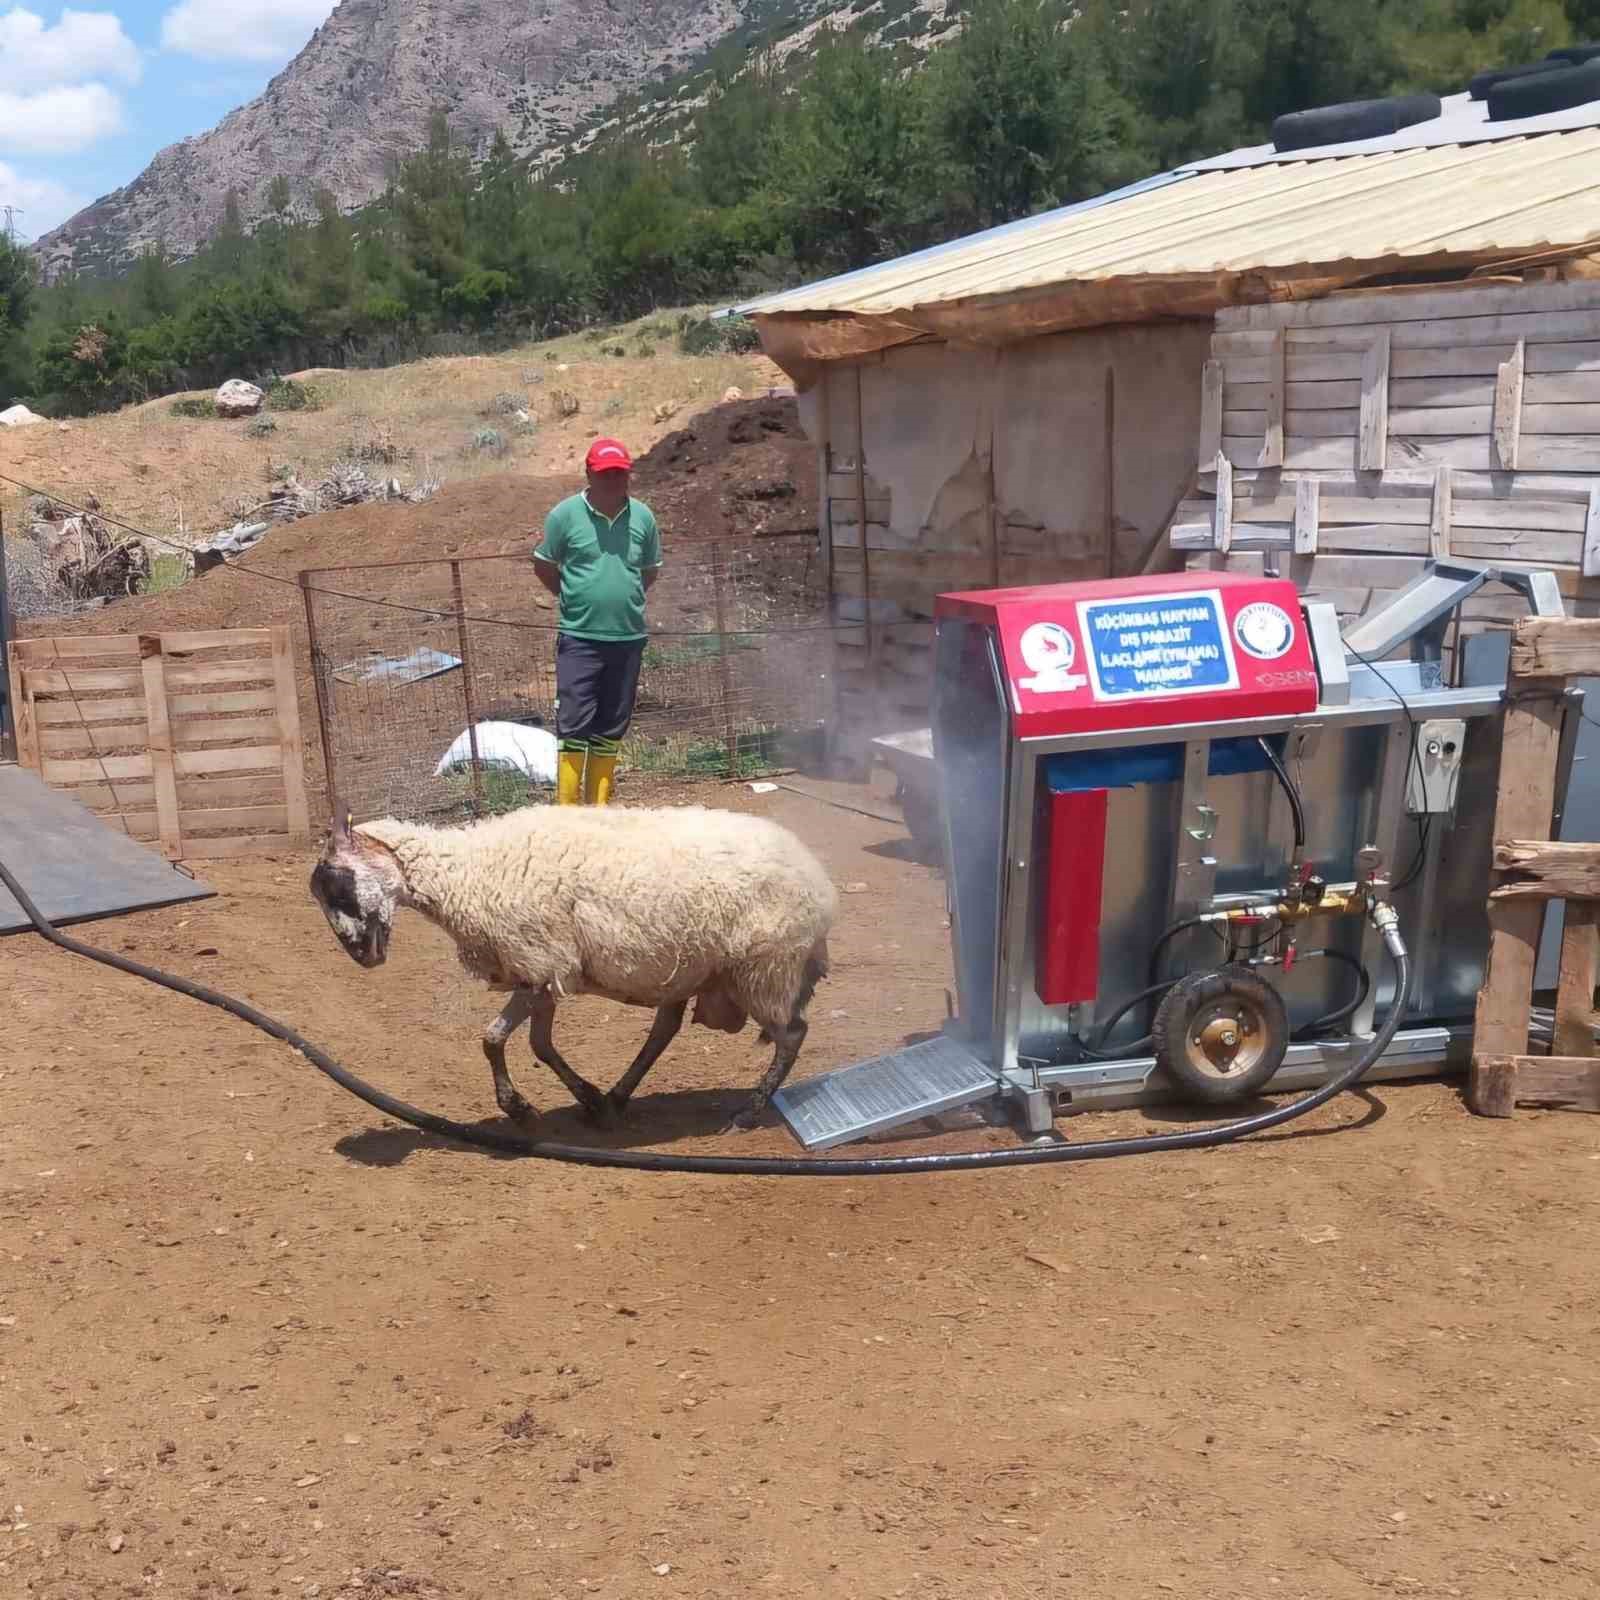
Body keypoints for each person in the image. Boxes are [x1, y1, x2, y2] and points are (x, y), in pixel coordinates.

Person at [533, 437, 662, 806]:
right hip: (580, 638)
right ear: (589, 473)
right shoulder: (564, 516)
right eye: (605, 474)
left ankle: (598, 815)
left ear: (628, 475)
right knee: (574, 727)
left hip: (627, 637)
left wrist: (621, 599)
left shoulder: (643, 517)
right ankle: (567, 816)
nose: (613, 480)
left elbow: (648, 571)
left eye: (619, 473)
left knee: (610, 729)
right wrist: (574, 597)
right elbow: (544, 564)